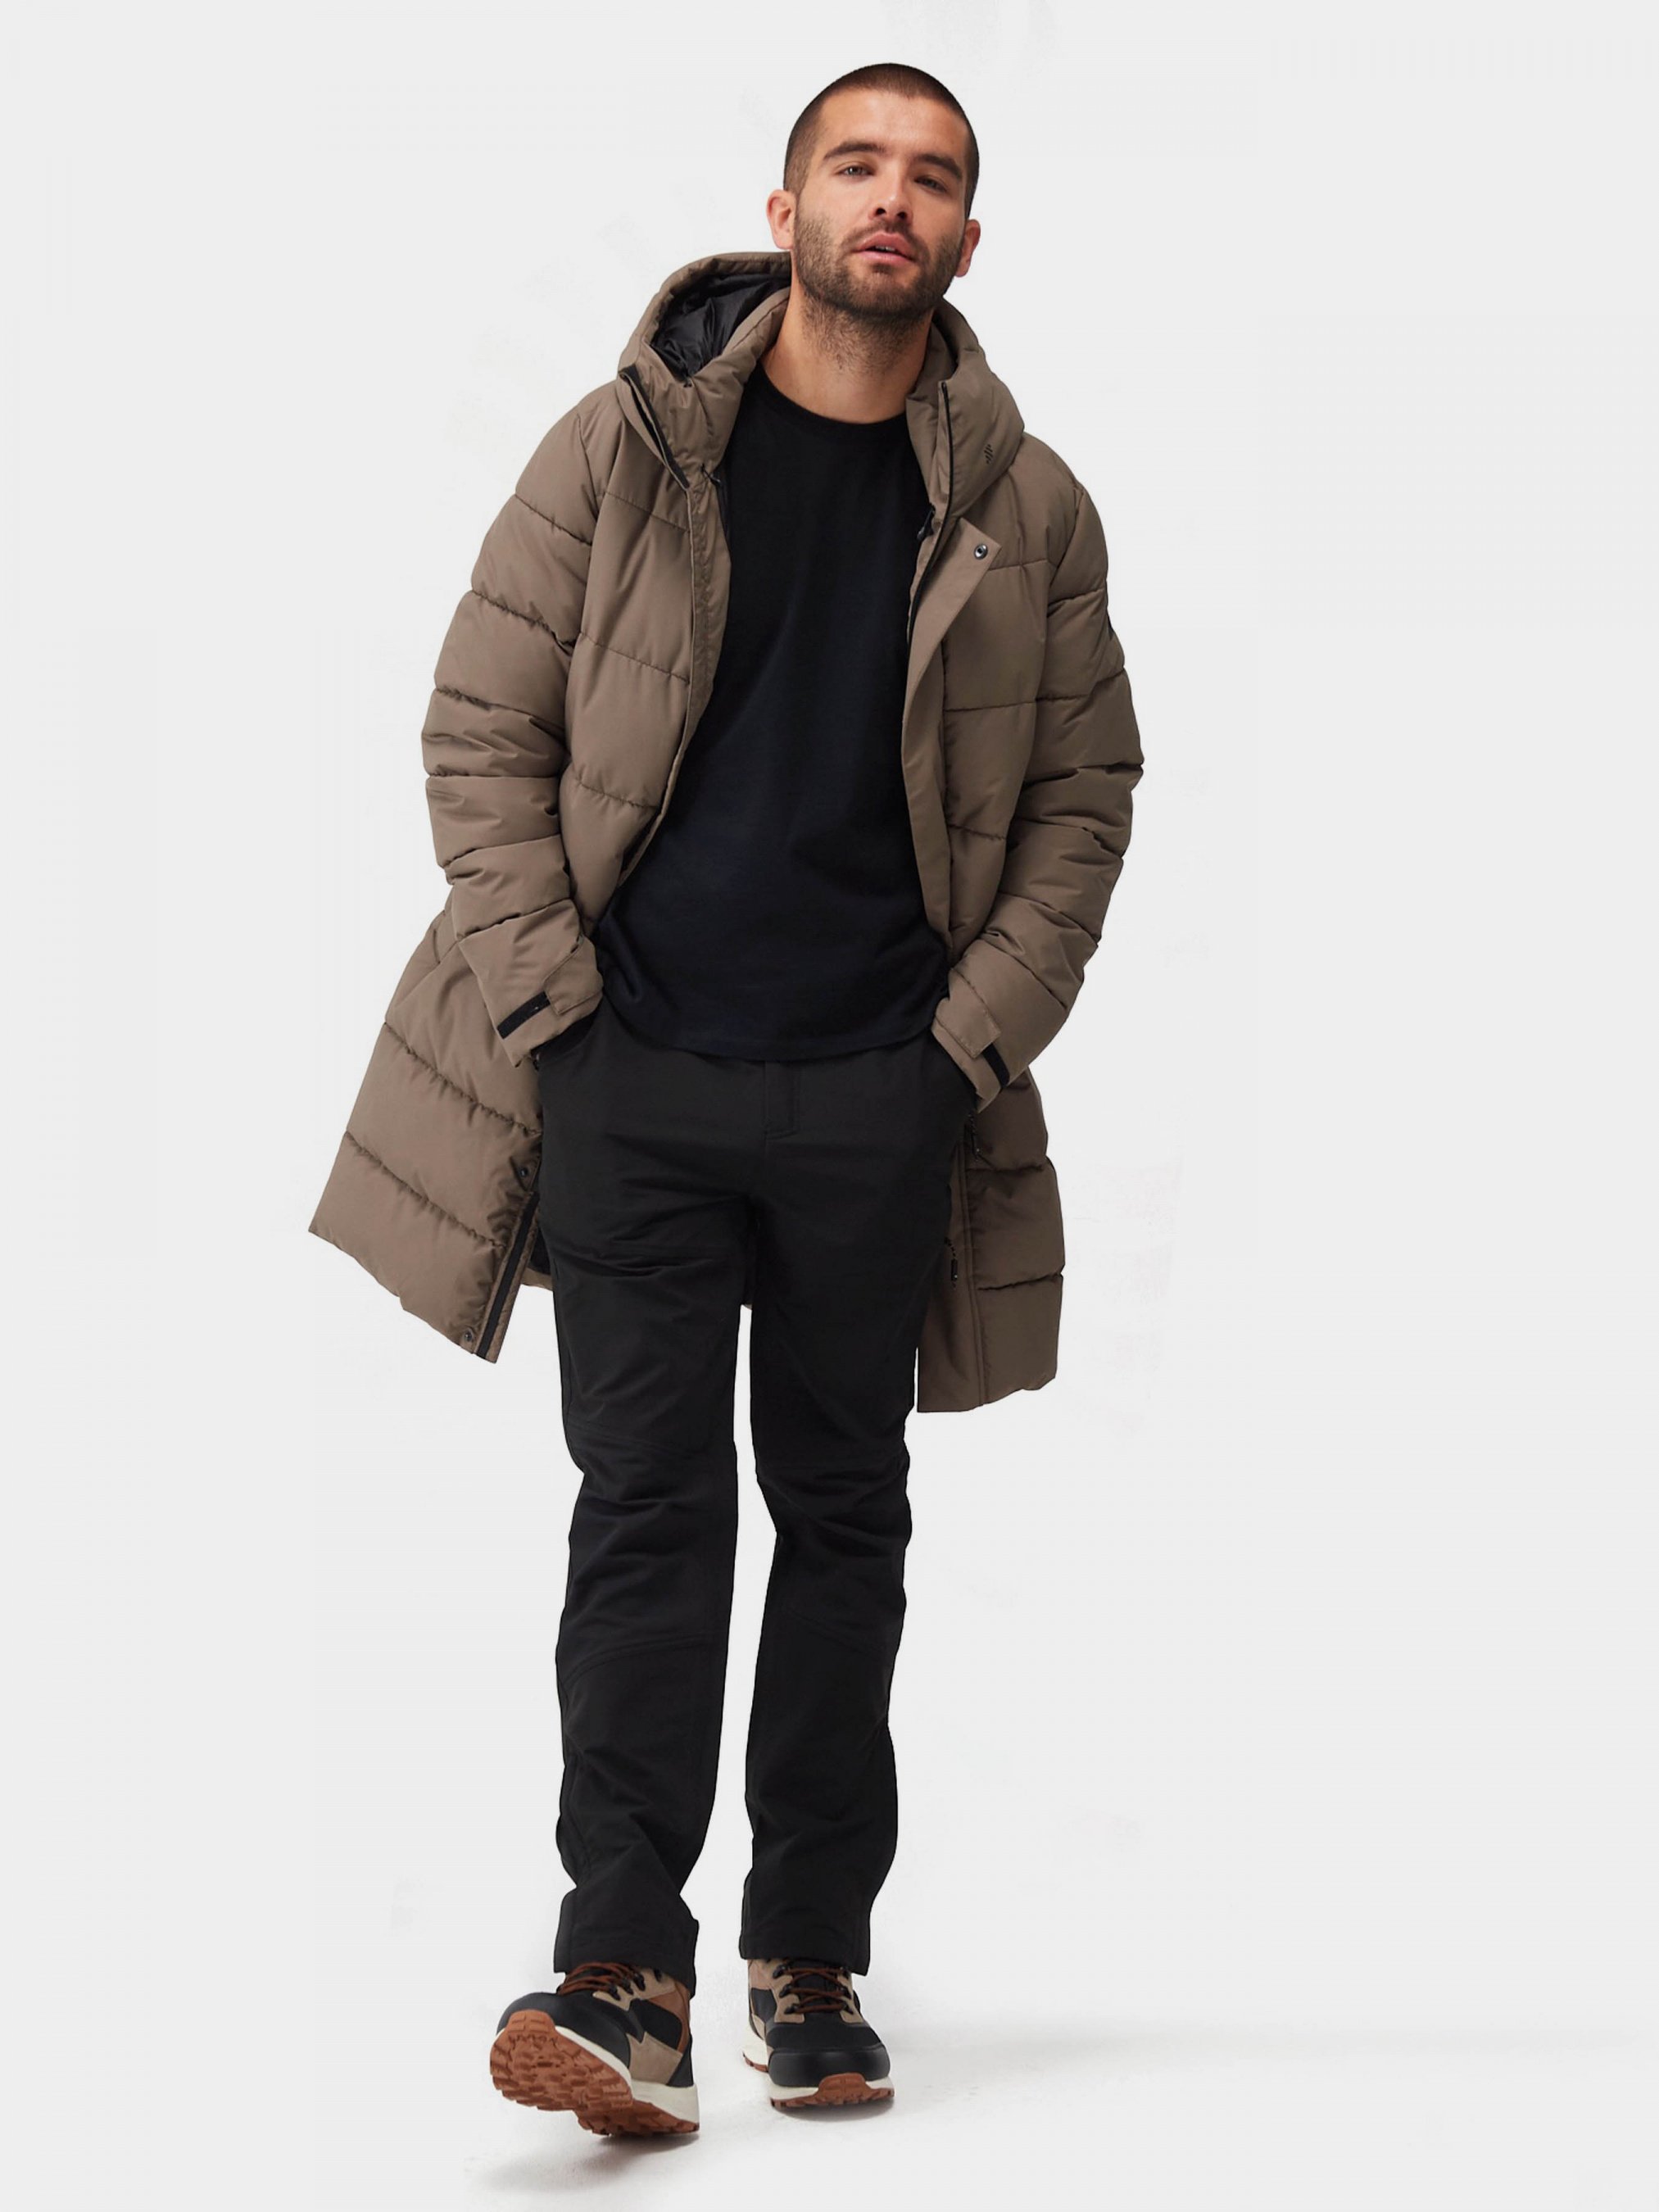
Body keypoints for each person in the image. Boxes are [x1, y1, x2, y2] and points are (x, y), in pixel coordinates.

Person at [313, 60, 1142, 2138]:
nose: (890, 200)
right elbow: (479, 729)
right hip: (636, 1078)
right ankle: (621, 1972)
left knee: (844, 1517)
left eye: (929, 177)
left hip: (879, 1091)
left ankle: (809, 1960)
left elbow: (1082, 795)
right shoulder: (621, 448)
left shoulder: (1027, 504)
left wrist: (961, 1049)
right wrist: (559, 1013)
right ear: (782, 211)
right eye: (854, 165)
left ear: (967, 238)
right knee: (648, 1512)